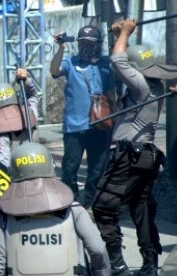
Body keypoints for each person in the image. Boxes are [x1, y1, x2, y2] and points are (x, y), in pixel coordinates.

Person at [92, 19, 177, 276]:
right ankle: (150, 264)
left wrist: (124, 31)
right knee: (140, 208)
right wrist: (121, 35)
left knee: (102, 206)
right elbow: (123, 59)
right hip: (147, 156)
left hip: (128, 155)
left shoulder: (142, 86)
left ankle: (118, 266)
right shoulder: (154, 85)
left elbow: (118, 61)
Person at [0, 142, 111, 276]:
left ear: (12, 173)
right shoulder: (74, 210)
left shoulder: (2, 216)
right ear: (52, 167)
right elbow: (98, 249)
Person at [50, 24, 115, 208]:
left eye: (91, 43)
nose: (87, 46)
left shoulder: (106, 64)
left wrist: (114, 121)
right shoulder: (70, 62)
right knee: (70, 169)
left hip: (100, 125)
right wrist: (60, 48)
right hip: (74, 126)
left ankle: (90, 204)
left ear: (99, 44)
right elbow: (54, 71)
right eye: (83, 43)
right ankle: (72, 202)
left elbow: (111, 95)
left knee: (97, 169)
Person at [0, 79, 38, 168]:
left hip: (17, 180)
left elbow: (2, 168)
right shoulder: (29, 114)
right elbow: (33, 95)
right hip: (39, 175)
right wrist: (26, 80)